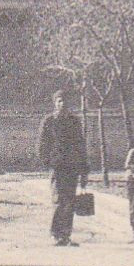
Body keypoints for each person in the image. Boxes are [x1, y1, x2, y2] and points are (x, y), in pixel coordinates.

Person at [38, 89, 89, 246]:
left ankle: (66, 235)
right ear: (55, 103)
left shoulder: (74, 121)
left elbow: (80, 144)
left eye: (65, 101)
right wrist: (48, 161)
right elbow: (42, 144)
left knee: (70, 201)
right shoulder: (49, 121)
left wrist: (84, 168)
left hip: (72, 166)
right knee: (58, 199)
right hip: (57, 166)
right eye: (59, 100)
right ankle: (56, 234)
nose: (62, 103)